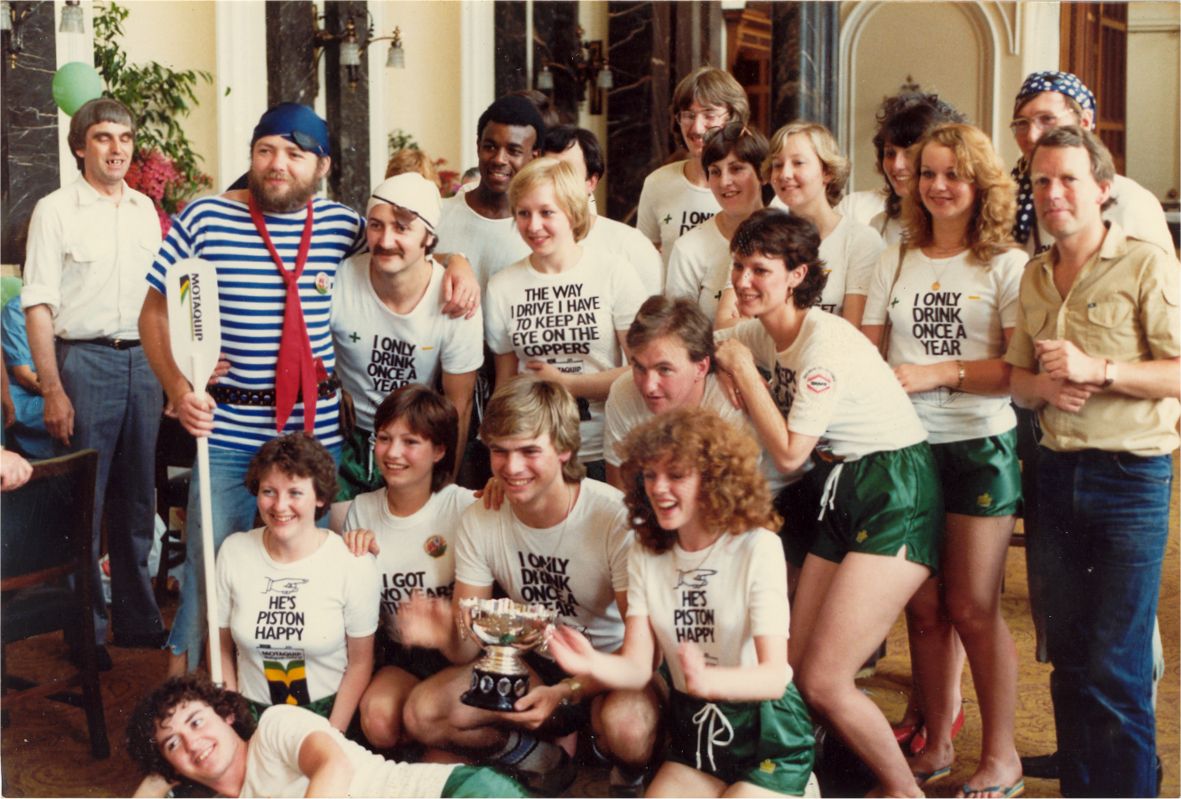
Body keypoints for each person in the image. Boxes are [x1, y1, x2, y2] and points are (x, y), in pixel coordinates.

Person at [140, 102, 478, 677]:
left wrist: (460, 262)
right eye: (265, 150)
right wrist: (178, 383)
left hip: (313, 438)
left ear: (321, 166)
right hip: (227, 430)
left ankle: (287, 698)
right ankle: (179, 696)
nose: (277, 164)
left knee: (303, 578)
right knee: (208, 570)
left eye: (294, 154)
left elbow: (403, 242)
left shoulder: (342, 226)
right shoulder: (205, 218)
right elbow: (154, 312)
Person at [713, 209, 941, 797]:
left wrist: (742, 371)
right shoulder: (760, 331)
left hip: (894, 487)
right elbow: (710, 343)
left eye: (760, 270)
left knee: (824, 680)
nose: (742, 282)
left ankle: (903, 791)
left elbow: (791, 454)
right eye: (738, 266)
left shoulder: (824, 342)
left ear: (797, 275)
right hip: (842, 488)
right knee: (788, 668)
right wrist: (727, 351)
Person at [1006, 125, 1179, 798]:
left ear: (1102, 189)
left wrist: (1099, 369)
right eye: (1041, 181)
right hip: (1055, 475)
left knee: (1118, 669)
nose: (1053, 193)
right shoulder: (1034, 274)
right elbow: (1019, 381)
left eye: (1068, 179)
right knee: (1070, 664)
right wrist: (1043, 387)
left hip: (1129, 480)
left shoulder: (1145, 263)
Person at [397, 376, 660, 796]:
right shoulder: (481, 517)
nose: (512, 467)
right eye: (500, 451)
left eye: (529, 451)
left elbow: (646, 652)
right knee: (422, 713)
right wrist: (444, 631)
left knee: (627, 728)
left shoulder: (613, 518)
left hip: (611, 667)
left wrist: (568, 690)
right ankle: (543, 760)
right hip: (532, 665)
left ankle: (625, 777)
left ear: (564, 449)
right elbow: (465, 648)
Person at [863, 123, 1026, 798]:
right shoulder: (895, 254)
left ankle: (1002, 757)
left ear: (980, 184)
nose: (936, 185)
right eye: (928, 172)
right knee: (924, 607)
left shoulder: (1005, 263)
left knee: (971, 605)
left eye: (953, 174)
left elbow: (1015, 370)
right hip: (906, 446)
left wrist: (938, 372)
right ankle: (934, 743)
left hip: (979, 446)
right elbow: (868, 350)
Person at [550, 407, 815, 797]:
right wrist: (592, 664)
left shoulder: (757, 547)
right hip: (696, 728)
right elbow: (639, 668)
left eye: (676, 475)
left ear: (713, 480)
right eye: (650, 475)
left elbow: (775, 676)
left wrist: (711, 681)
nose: (659, 488)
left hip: (766, 729)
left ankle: (802, 787)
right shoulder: (646, 554)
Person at [22, 97, 167, 669]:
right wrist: (53, 389)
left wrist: (173, 372)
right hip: (84, 363)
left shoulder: (144, 209)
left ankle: (137, 618)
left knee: (138, 499)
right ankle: (86, 629)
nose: (117, 149)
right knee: (84, 502)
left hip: (144, 365)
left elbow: (160, 299)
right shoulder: (55, 211)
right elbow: (38, 305)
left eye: (125, 138)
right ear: (80, 146)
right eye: (104, 137)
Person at [329, 173, 482, 528]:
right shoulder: (341, 278)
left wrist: (443, 486)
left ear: (428, 237)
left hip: (415, 441)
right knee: (342, 541)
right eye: (376, 225)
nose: (385, 241)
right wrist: (331, 383)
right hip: (347, 439)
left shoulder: (455, 299)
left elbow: (457, 406)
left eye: (402, 228)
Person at [338, 385, 479, 750]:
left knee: (427, 717)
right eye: (384, 438)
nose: (393, 453)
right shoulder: (362, 509)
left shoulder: (464, 506)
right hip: (405, 655)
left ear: (439, 450)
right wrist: (354, 555)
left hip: (462, 652)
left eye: (410, 442)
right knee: (379, 720)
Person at [485, 158, 644, 479]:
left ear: (572, 211)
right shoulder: (502, 286)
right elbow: (505, 382)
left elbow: (642, 370)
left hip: (607, 449)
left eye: (547, 212)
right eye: (523, 213)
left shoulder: (614, 273)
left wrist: (570, 384)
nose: (533, 226)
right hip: (534, 455)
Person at [126, 674, 528, 798]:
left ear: (227, 714)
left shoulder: (273, 728)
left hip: (457, 793)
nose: (192, 742)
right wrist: (158, 780)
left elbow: (333, 765)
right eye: (172, 743)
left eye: (196, 722)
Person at [214, 433, 378, 734]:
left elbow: (360, 664)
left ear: (320, 497)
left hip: (327, 718)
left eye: (295, 492)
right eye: (269, 491)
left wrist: (332, 737)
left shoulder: (352, 562)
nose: (280, 506)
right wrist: (234, 725)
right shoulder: (233, 551)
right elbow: (220, 647)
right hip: (251, 716)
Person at [721, 120, 882, 328]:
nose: (785, 174)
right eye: (777, 165)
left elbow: (853, 332)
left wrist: (762, 329)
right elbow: (724, 325)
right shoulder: (758, 232)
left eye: (798, 163)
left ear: (827, 172)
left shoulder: (860, 240)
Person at [1008, 70, 1172, 257]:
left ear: (1084, 121)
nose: (1032, 135)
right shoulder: (1009, 199)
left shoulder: (1131, 202)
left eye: (1047, 119)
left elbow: (1157, 272)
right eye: (1022, 123)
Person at [602, 296, 746, 490]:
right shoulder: (624, 390)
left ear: (701, 368)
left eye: (664, 369)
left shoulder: (729, 401)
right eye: (639, 368)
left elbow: (736, 500)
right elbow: (619, 492)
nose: (648, 386)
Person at [637, 66, 750, 275]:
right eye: (688, 115)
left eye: (709, 115)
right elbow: (643, 258)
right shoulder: (657, 183)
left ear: (733, 118)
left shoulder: (750, 186)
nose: (697, 128)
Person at [435, 95, 545, 294]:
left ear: (534, 156)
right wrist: (448, 259)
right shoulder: (438, 214)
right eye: (490, 147)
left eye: (513, 150)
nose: (499, 159)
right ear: (478, 146)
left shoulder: (541, 231)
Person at [542, 124, 663, 295]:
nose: (555, 182)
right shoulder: (522, 239)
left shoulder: (629, 245)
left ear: (591, 182)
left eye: (567, 172)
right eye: (546, 170)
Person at [666, 121, 768, 323]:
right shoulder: (688, 249)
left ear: (763, 174)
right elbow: (680, 331)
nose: (724, 182)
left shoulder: (790, 233)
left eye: (736, 169)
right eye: (715, 172)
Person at [838, 93, 966, 245]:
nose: (897, 165)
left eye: (910, 153)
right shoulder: (876, 222)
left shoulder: (961, 225)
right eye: (890, 153)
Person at [1, 296, 54, 459]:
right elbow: (24, 375)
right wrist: (58, 395)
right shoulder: (17, 308)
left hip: (55, 388)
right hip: (24, 392)